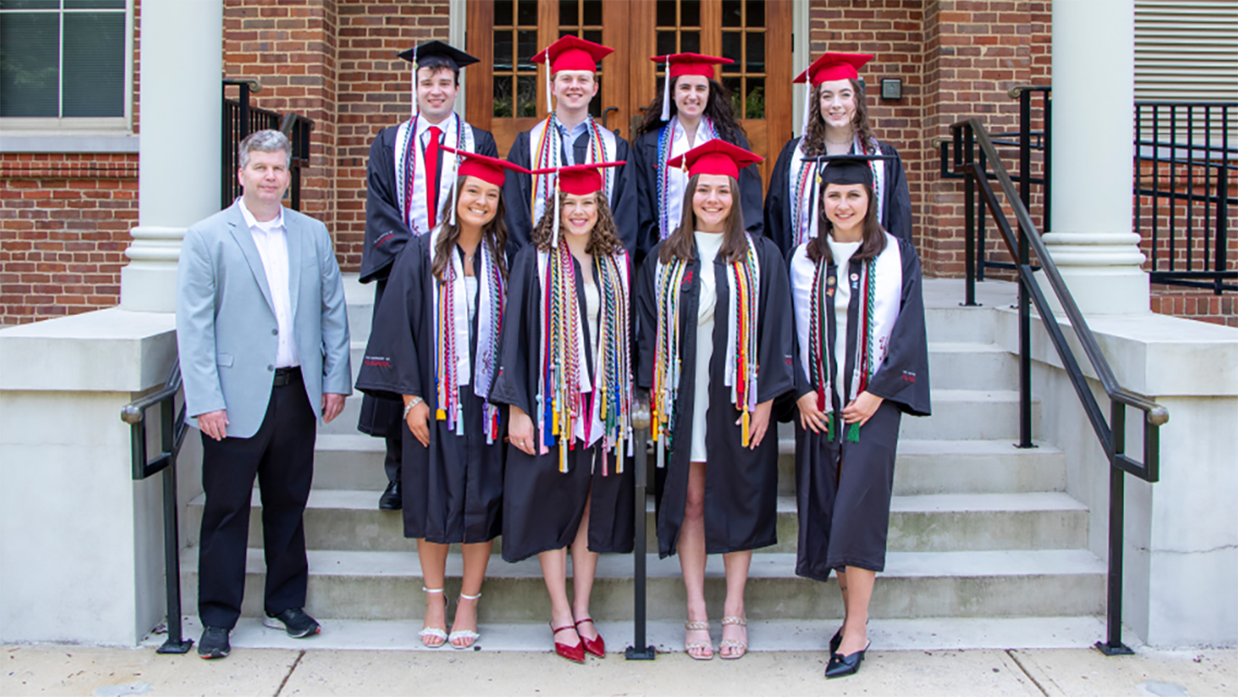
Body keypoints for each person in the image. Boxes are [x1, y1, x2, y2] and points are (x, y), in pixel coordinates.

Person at [176, 129, 352, 660]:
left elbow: (332, 311)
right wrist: (205, 398)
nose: (270, 177)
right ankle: (217, 617)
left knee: (287, 504)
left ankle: (285, 604)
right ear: (242, 173)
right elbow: (194, 326)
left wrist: (335, 379)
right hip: (231, 400)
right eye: (260, 168)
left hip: (296, 391)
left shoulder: (312, 233)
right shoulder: (208, 237)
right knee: (226, 509)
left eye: (278, 168)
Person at [355, 149, 529, 649]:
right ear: (456, 196)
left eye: (491, 195)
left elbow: (520, 333)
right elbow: (398, 324)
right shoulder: (420, 251)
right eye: (473, 192)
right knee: (433, 501)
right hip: (435, 403)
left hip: (488, 407)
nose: (481, 201)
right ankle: (435, 599)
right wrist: (410, 398)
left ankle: (468, 604)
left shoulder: (508, 258)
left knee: (482, 503)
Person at [635, 140, 795, 660]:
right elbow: (645, 330)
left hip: (738, 397)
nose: (712, 198)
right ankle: (697, 611)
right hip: (683, 399)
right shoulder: (663, 257)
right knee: (692, 502)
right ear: (689, 193)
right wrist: (648, 393)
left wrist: (767, 400)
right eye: (703, 188)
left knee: (740, 498)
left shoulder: (761, 255)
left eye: (722, 190)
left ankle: (734, 610)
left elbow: (776, 332)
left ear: (735, 195)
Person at [786, 155, 930, 678]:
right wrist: (800, 391)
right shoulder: (802, 259)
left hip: (871, 407)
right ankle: (850, 617)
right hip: (819, 408)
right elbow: (783, 331)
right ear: (820, 203)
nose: (843, 205)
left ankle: (857, 628)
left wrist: (879, 393)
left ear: (870, 200)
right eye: (834, 197)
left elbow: (910, 329)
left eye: (853, 196)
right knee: (828, 510)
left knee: (860, 511)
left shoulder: (898, 255)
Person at [490, 161, 635, 663]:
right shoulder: (535, 261)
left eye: (588, 203)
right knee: (553, 505)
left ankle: (583, 608)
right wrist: (517, 409)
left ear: (601, 209)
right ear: (556, 208)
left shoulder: (617, 262)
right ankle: (558, 611)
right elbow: (514, 336)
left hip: (603, 410)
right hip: (552, 407)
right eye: (570, 203)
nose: (579, 211)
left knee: (591, 508)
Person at [358, 41, 499, 512]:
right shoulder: (389, 142)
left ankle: (459, 467)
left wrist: (457, 254)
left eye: (444, 83)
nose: (435, 90)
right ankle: (398, 474)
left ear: (457, 88)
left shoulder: (479, 142)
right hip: (406, 271)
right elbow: (380, 207)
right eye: (427, 83)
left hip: (465, 267)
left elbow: (487, 202)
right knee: (405, 367)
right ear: (414, 88)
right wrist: (417, 257)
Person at [765, 52, 913, 256]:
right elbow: (775, 218)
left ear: (857, 100)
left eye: (845, 94)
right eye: (827, 96)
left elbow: (899, 220)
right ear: (817, 103)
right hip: (807, 269)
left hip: (870, 270)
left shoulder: (882, 157)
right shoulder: (794, 155)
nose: (836, 104)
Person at [502, 35, 638, 255]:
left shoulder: (616, 148)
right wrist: (528, 263)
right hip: (540, 268)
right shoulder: (527, 145)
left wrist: (614, 264)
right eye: (566, 79)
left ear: (594, 88)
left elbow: (626, 215)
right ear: (553, 87)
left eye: (583, 80)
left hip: (599, 267)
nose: (574, 86)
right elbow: (515, 211)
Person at [632, 52, 763, 263]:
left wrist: (737, 251)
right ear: (672, 93)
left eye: (700, 88)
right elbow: (641, 206)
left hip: (723, 257)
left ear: (710, 94)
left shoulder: (731, 140)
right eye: (685, 87)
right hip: (664, 256)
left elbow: (748, 198)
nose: (692, 96)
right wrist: (655, 254)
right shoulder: (650, 145)